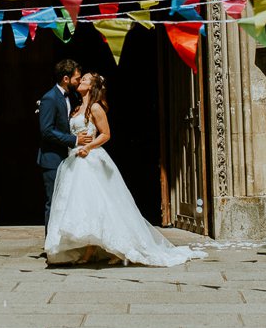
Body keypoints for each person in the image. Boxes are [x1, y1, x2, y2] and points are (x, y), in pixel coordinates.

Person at [44, 72, 207, 266]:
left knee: (101, 205)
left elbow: (106, 134)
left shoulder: (96, 108)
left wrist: (87, 147)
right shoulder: (77, 107)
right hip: (75, 160)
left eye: (85, 79)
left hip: (89, 159)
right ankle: (89, 249)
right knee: (85, 206)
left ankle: (114, 248)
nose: (81, 81)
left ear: (92, 86)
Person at [37, 59, 91, 231]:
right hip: (53, 159)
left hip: (70, 158)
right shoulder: (50, 98)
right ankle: (51, 245)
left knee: (68, 201)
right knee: (53, 202)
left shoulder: (72, 97)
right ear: (66, 79)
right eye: (77, 78)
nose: (79, 81)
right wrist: (74, 140)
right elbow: (46, 130)